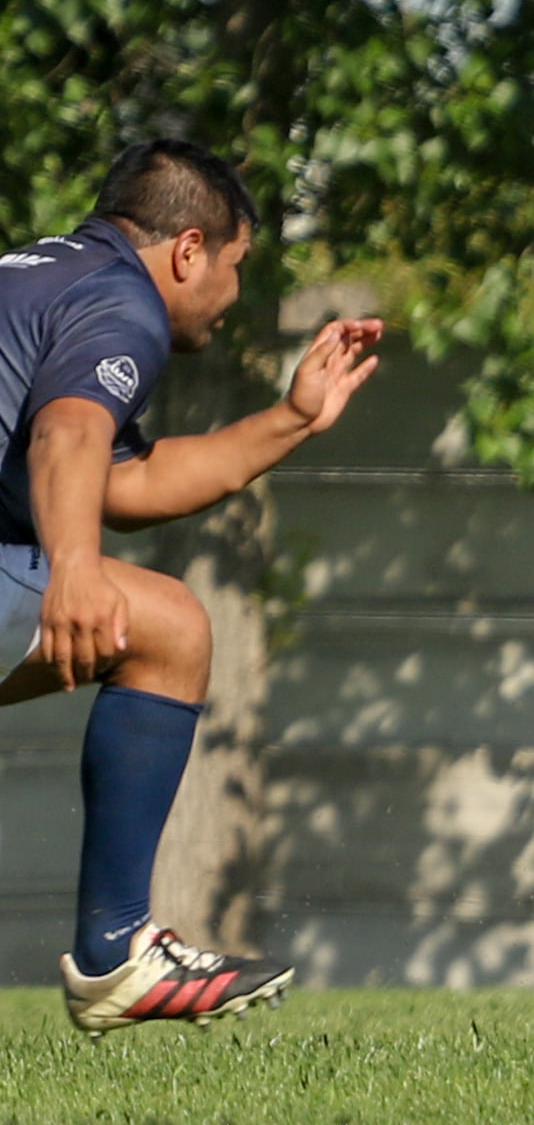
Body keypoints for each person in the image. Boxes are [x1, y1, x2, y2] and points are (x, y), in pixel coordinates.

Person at [0, 140, 384, 1035]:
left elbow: (122, 482)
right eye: (238, 265)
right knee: (170, 624)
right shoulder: (120, 301)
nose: (235, 292)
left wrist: (291, 419)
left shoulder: (46, 277)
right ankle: (117, 952)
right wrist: (77, 571)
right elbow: (68, 436)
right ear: (188, 251)